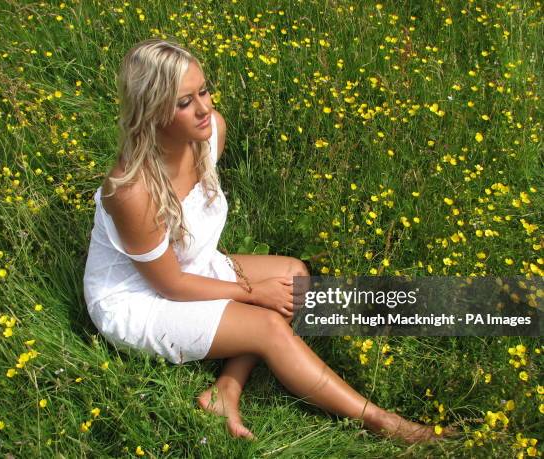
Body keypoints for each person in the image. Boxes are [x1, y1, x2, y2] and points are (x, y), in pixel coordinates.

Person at [83, 38, 448, 444]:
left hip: (187, 266)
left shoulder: (210, 131)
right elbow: (168, 285)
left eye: (203, 91)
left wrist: (256, 291)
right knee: (270, 324)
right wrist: (253, 292)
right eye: (184, 102)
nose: (204, 109)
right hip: (139, 298)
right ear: (151, 111)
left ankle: (226, 390)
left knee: (294, 275)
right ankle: (384, 423)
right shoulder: (133, 191)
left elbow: (186, 264)